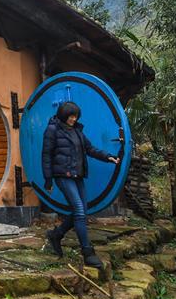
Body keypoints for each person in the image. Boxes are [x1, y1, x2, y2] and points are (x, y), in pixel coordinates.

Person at [41, 101, 119, 267]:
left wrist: (107, 156)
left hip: (78, 175)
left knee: (81, 211)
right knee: (78, 210)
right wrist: (48, 179)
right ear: (63, 115)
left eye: (75, 116)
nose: (73, 119)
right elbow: (46, 155)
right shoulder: (52, 129)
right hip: (63, 175)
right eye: (70, 116)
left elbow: (90, 149)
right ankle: (87, 253)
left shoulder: (77, 131)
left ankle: (56, 235)